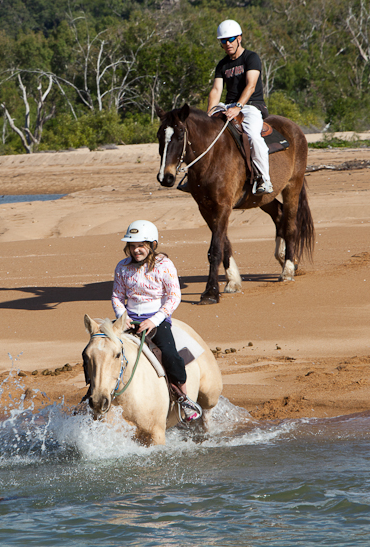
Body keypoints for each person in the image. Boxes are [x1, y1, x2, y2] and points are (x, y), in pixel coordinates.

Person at [111, 220, 202, 422]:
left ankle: (184, 399)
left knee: (170, 355)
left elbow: (174, 297)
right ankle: (95, 393)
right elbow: (117, 296)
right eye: (132, 246)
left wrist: (154, 320)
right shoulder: (122, 267)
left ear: (152, 244)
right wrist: (121, 318)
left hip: (156, 320)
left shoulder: (164, 265)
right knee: (101, 347)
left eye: (141, 245)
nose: (136, 250)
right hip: (128, 320)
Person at [207, 19, 272, 195]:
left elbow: (251, 86)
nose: (227, 43)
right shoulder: (222, 65)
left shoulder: (251, 58)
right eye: (223, 40)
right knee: (206, 133)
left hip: (251, 105)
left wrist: (238, 106)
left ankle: (264, 179)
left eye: (231, 39)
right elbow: (216, 90)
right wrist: (210, 113)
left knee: (252, 135)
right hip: (228, 105)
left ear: (239, 38)